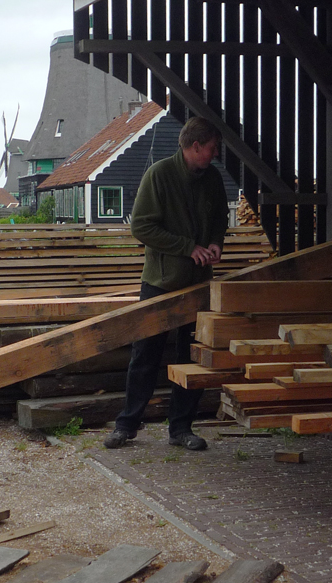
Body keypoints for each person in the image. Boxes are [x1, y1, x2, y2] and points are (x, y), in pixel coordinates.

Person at [103, 117, 228, 451]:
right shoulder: (158, 175)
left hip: (198, 284)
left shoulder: (212, 178)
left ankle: (181, 429)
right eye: (212, 148)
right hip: (160, 282)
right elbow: (141, 227)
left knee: (192, 356)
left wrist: (216, 242)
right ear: (195, 146)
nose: (215, 155)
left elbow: (219, 220)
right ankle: (127, 425)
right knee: (145, 355)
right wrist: (188, 247)